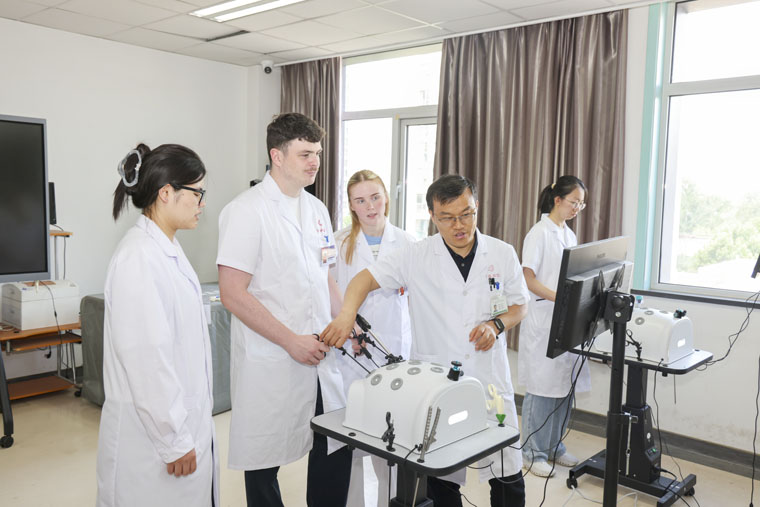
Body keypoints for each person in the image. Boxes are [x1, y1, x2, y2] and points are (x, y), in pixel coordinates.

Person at [322, 174, 530, 507]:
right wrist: (347, 315)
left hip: (489, 379)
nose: (459, 225)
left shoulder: (502, 253)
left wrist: (496, 325)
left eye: (466, 214)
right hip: (439, 380)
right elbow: (363, 280)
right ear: (432, 216)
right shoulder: (415, 255)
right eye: (447, 218)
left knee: (507, 474)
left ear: (476, 207)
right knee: (441, 478)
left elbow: (520, 305)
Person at [216, 113, 351, 507]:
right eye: (305, 154)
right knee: (263, 464)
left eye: (318, 153)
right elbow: (232, 294)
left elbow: (326, 278)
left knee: (332, 447)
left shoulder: (317, 209)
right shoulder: (246, 211)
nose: (315, 162)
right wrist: (291, 341)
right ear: (277, 156)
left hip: (320, 354)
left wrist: (348, 322)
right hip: (272, 358)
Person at [97, 144, 218, 506]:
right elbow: (146, 360)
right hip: (152, 443)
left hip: (181, 422)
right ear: (166, 193)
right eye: (197, 193)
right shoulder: (138, 258)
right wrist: (174, 440)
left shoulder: (167, 249)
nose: (202, 203)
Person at [331, 170, 416, 507]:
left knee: (391, 443)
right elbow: (329, 294)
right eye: (360, 200)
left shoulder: (408, 243)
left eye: (375, 197)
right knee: (351, 442)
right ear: (351, 205)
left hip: (395, 348)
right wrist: (348, 329)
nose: (370, 206)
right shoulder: (339, 243)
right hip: (352, 353)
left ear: (386, 198)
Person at [517, 175, 591, 478]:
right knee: (541, 388)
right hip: (543, 320)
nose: (577, 208)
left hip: (565, 321)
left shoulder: (568, 235)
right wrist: (559, 298)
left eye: (581, 204)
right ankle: (531, 453)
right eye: (574, 202)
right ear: (557, 199)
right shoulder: (539, 234)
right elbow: (528, 278)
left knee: (563, 387)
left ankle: (553, 447)